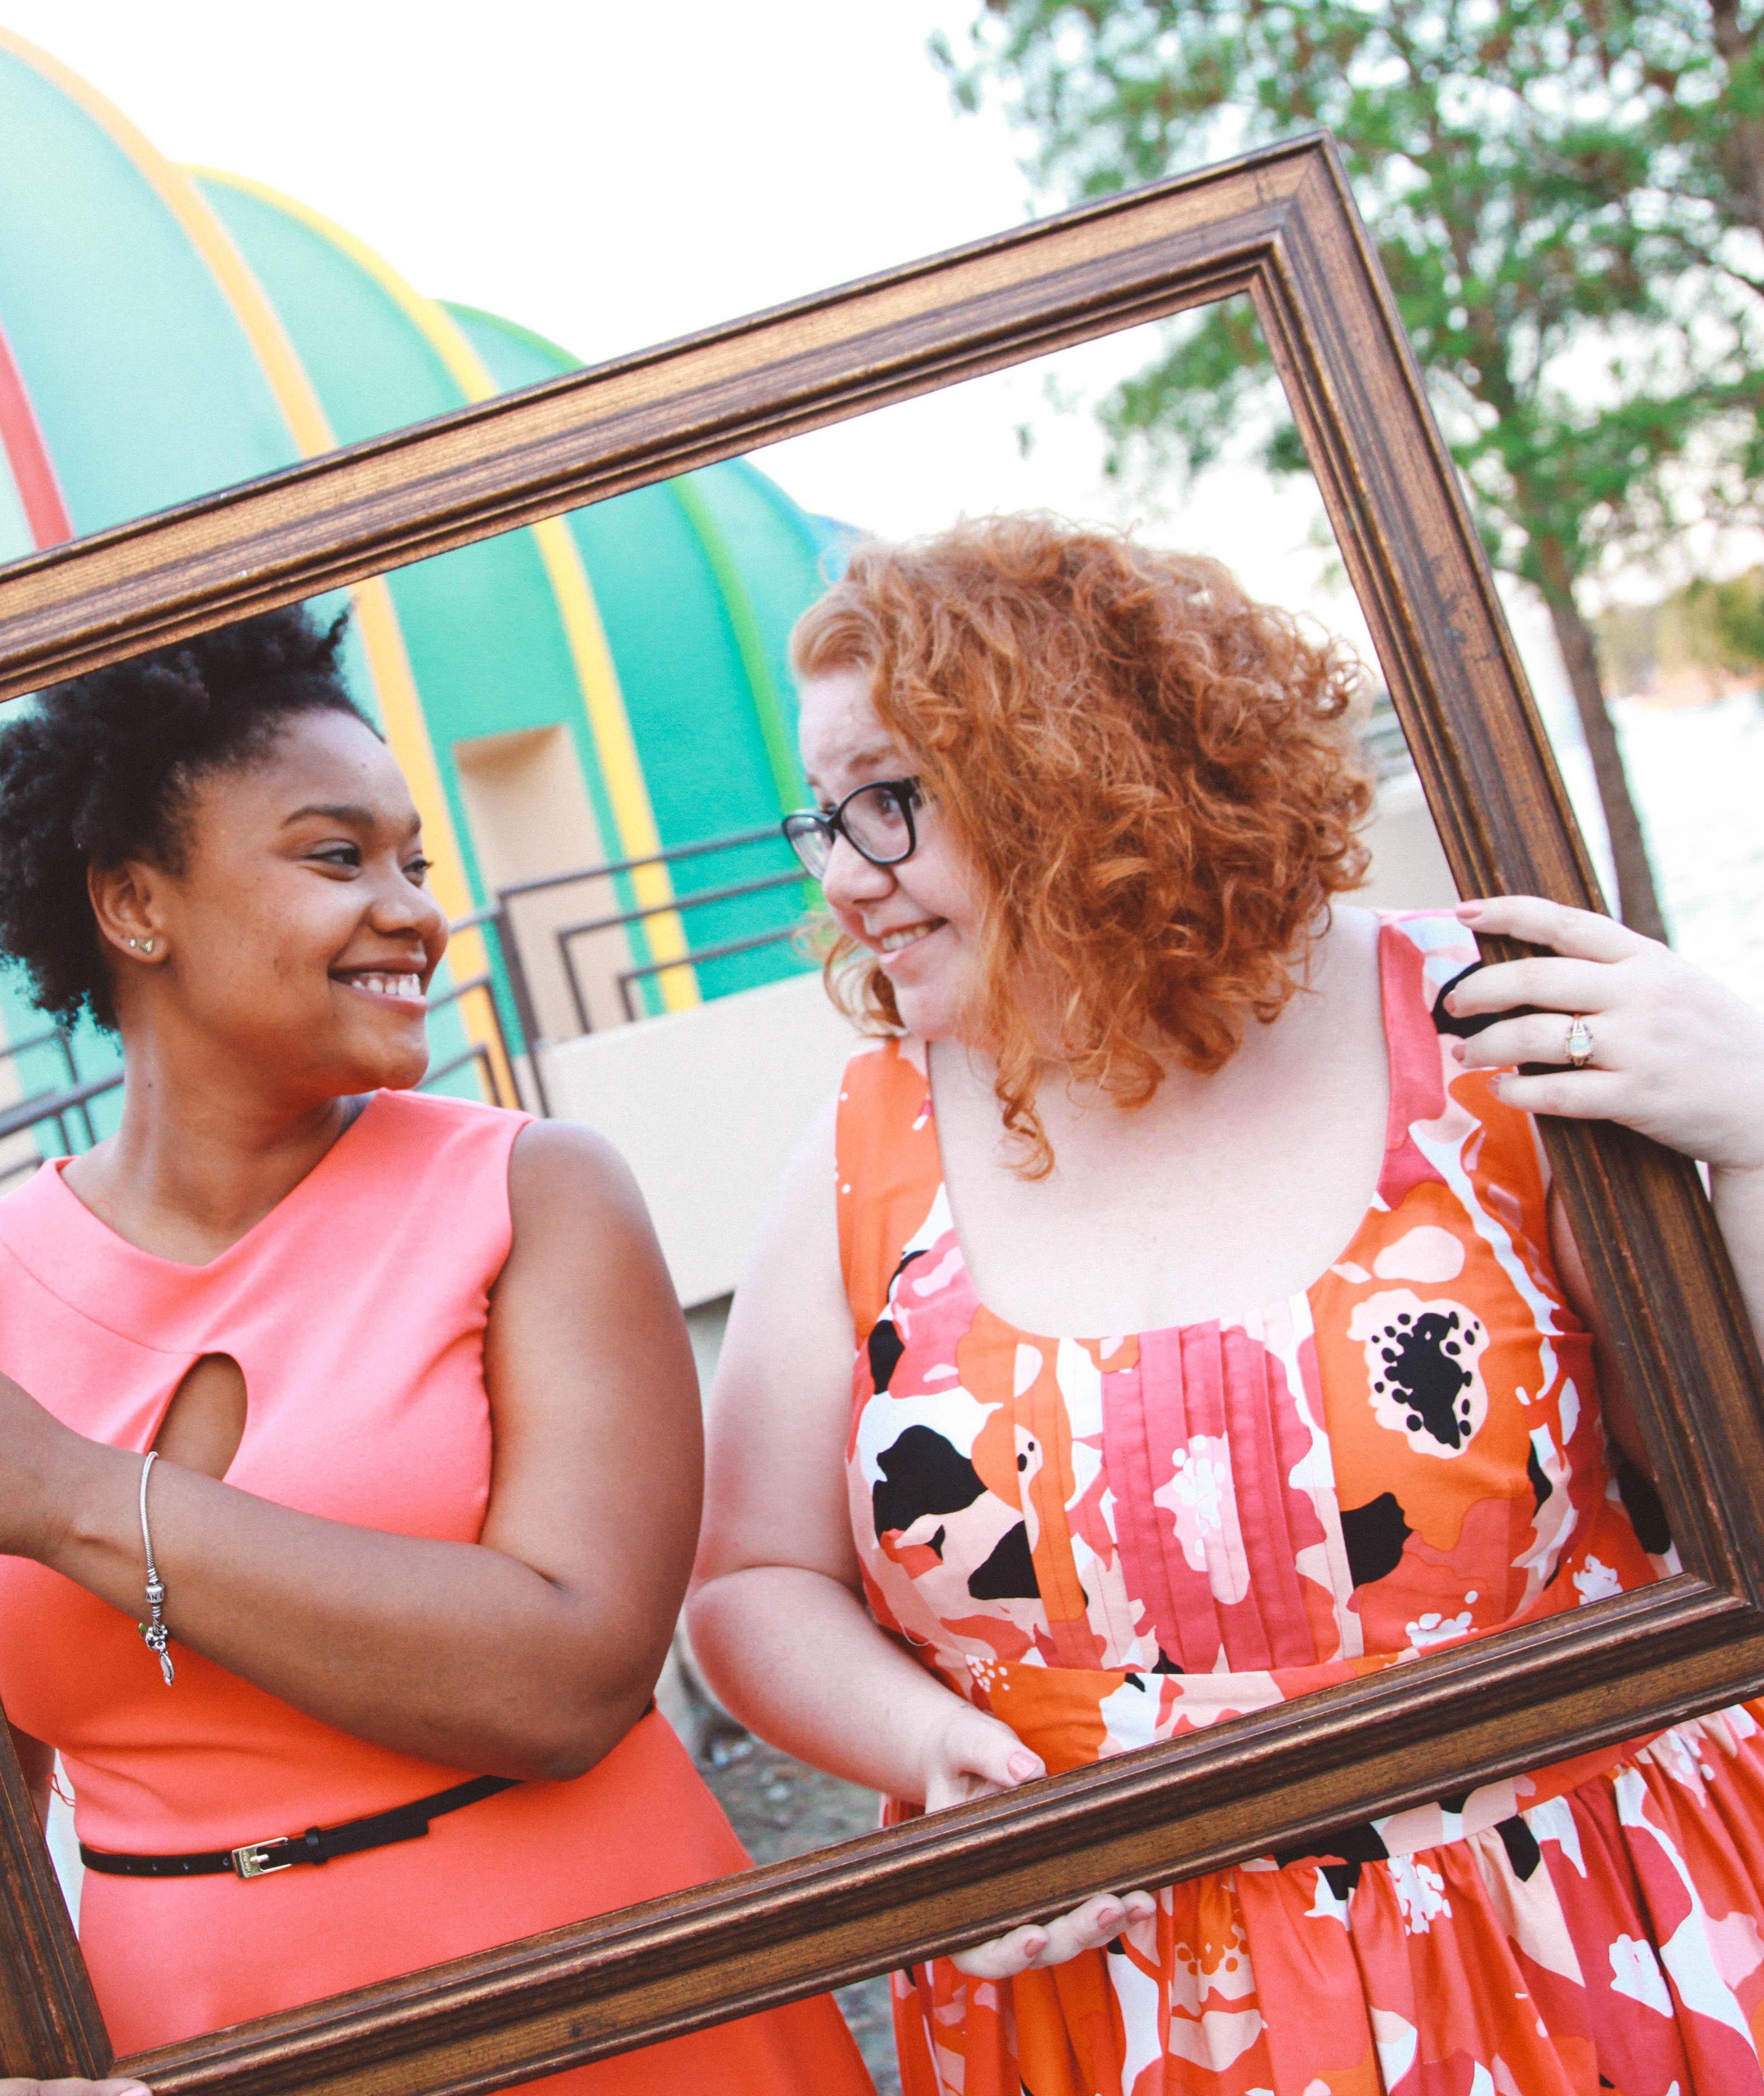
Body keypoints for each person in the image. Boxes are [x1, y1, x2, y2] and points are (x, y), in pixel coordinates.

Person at [0, 608, 873, 2096]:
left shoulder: (533, 1193)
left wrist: (68, 1493)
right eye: (339, 858)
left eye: (416, 862)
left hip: (602, 1988)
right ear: (137, 904)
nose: (411, 909)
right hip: (190, 2035)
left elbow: (572, 1679)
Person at [687, 516, 1764, 2096]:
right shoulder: (867, 1146)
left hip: (1590, 1954)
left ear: (1074, 764)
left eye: (893, 804)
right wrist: (930, 1759)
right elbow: (749, 1584)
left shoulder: (1478, 1025)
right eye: (825, 820)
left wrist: (1752, 1131)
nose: (846, 878)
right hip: (1122, 2024)